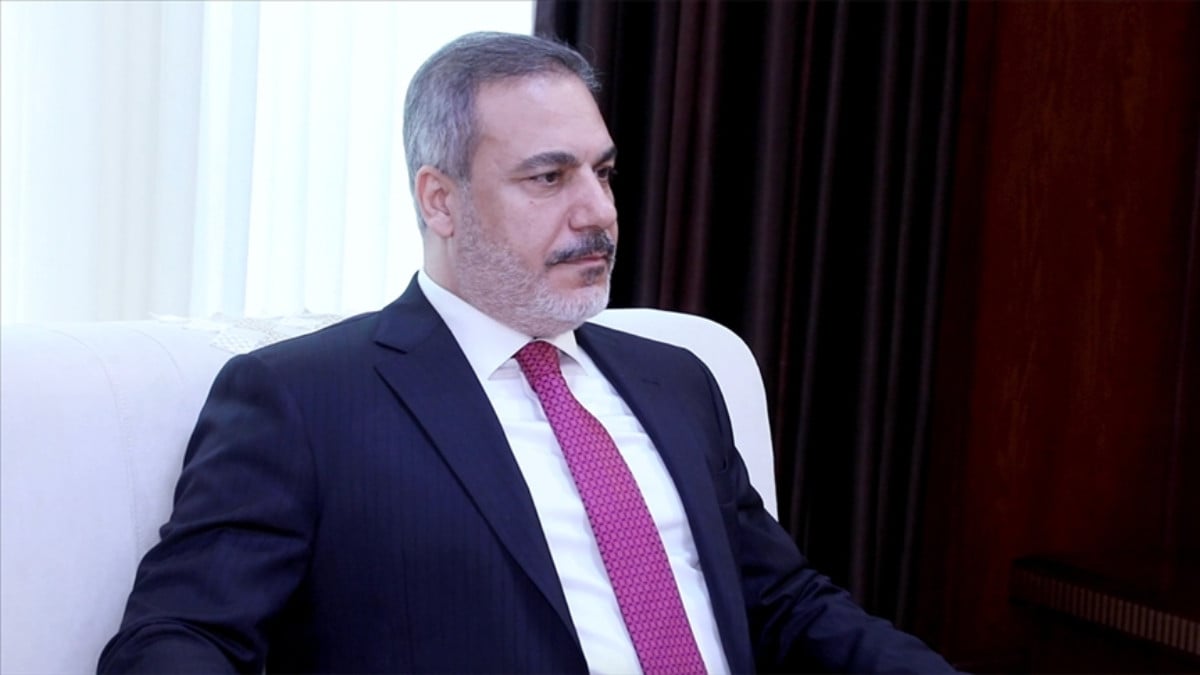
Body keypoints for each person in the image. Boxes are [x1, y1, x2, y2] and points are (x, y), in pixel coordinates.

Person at [99, 31, 956, 674]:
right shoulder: (305, 399)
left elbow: (786, 604)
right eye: (549, 178)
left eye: (603, 172)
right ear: (440, 200)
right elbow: (180, 636)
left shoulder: (676, 379)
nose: (599, 212)